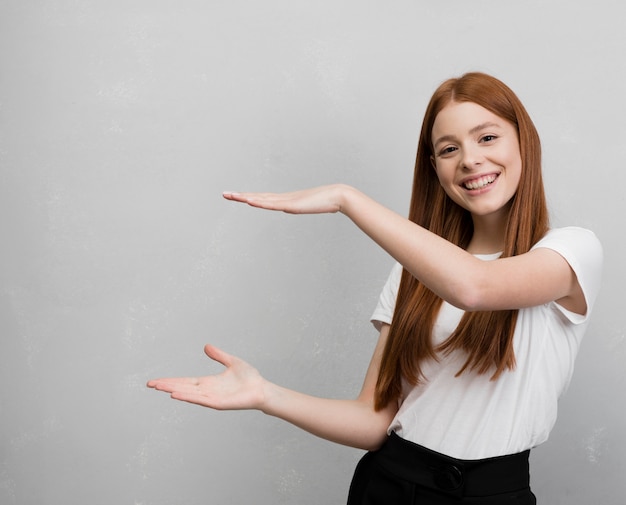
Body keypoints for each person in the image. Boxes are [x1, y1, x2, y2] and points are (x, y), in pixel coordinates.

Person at [147, 72, 603, 504]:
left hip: (494, 491)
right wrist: (266, 396)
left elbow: (475, 287)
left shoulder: (571, 250)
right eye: (448, 149)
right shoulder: (415, 270)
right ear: (435, 168)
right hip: (388, 484)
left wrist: (347, 198)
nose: (469, 160)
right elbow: (373, 421)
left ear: (524, 142)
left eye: (487, 137)